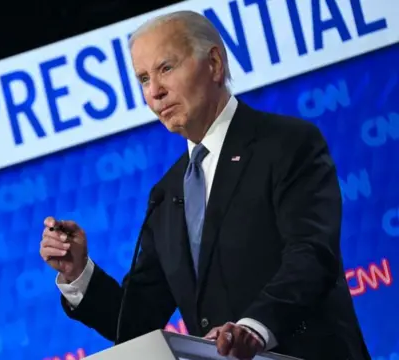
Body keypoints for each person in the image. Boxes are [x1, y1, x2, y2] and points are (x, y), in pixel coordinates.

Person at [39, 10, 370, 360]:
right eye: (143, 79)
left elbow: (312, 256)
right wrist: (79, 272)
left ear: (213, 63)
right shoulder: (167, 193)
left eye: (166, 68)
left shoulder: (286, 144)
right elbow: (135, 324)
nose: (155, 92)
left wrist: (253, 328)